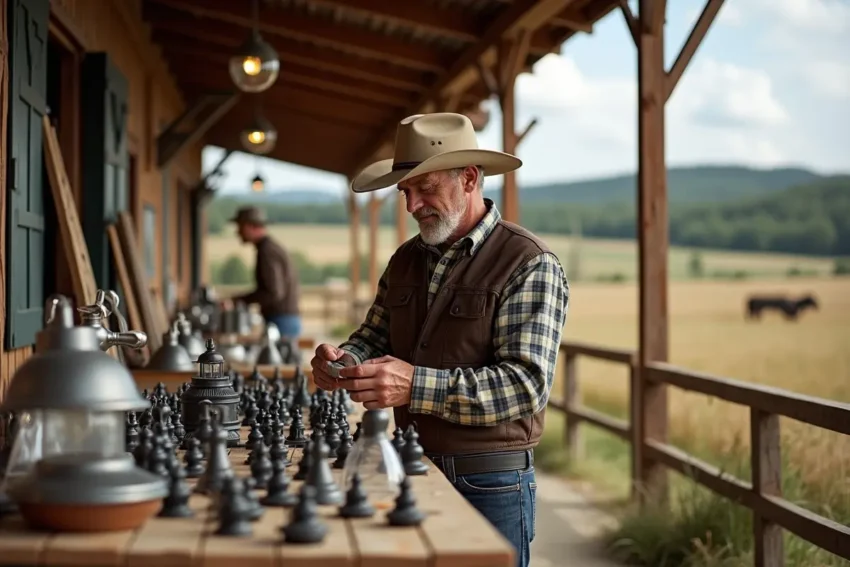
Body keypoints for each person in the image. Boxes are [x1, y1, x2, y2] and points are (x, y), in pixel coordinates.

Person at [311, 112, 569, 567]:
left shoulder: (529, 262)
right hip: (410, 467)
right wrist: (344, 359)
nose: (412, 206)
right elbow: (375, 334)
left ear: (469, 179)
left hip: (490, 484)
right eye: (405, 192)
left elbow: (525, 387)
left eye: (424, 188)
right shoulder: (406, 258)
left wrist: (415, 386)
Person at [226, 205, 302, 339]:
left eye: (240, 227)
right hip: (284, 318)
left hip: (281, 319)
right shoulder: (269, 248)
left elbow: (273, 292)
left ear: (250, 226)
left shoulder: (267, 251)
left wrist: (237, 300)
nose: (238, 232)